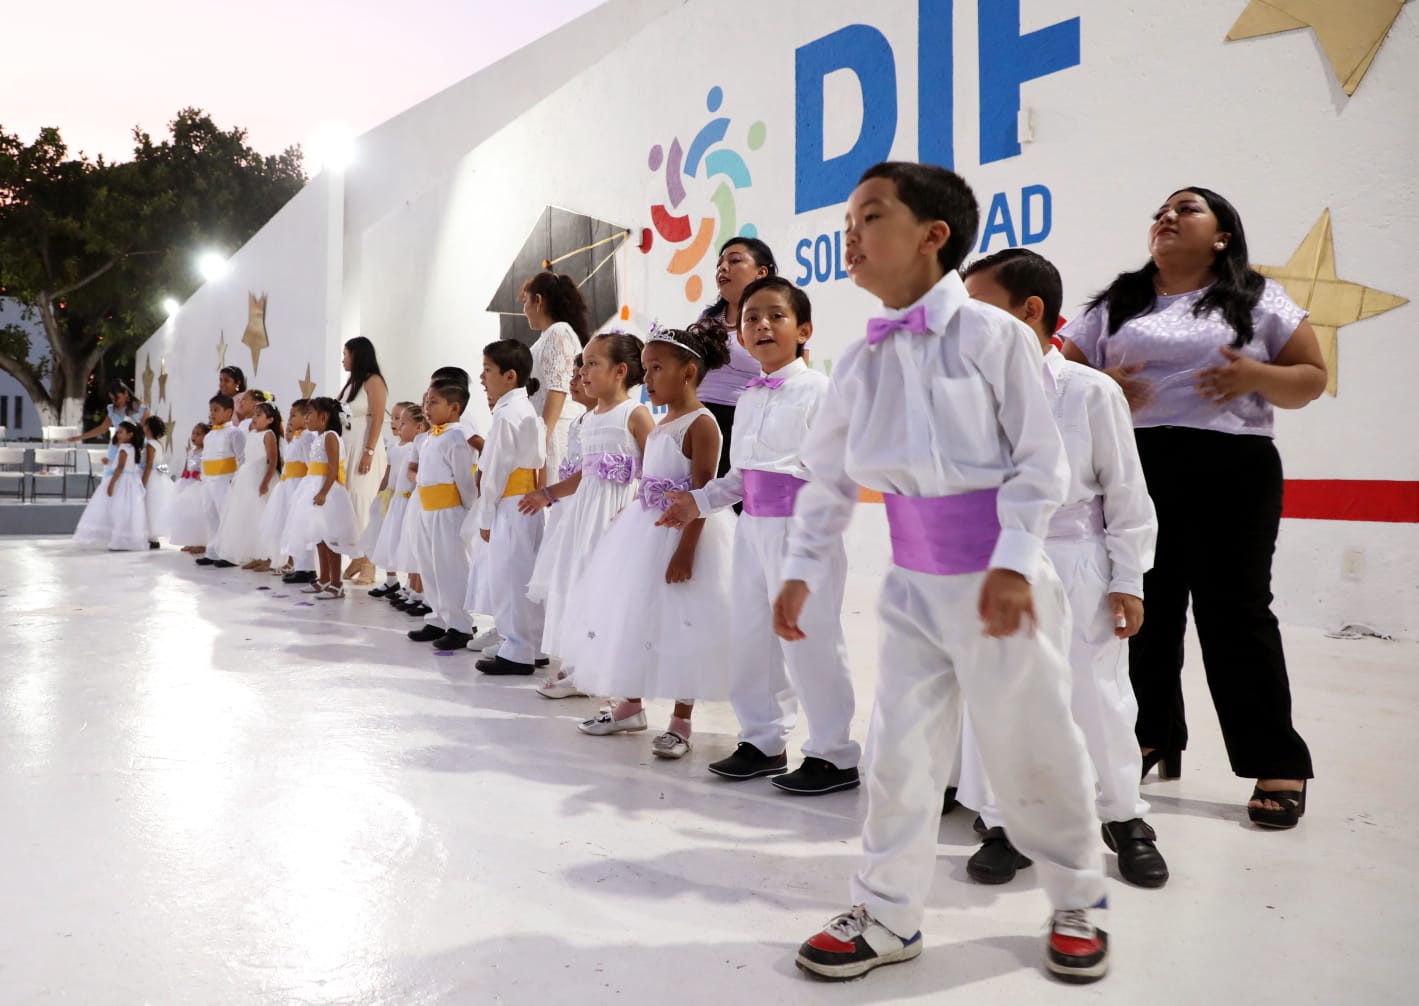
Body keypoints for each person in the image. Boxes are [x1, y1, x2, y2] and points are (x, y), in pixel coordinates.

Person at [778, 162, 1108, 983]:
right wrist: (800, 567)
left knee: (1032, 745)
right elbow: (824, 478)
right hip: (911, 584)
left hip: (1005, 583)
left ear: (933, 236)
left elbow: (1041, 465)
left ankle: (1078, 896)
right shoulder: (858, 361)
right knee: (899, 750)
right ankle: (888, 913)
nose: (849, 233)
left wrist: (1014, 560)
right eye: (847, 218)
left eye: (871, 215)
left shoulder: (995, 338)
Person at [1061, 187, 1326, 830]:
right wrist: (1105, 385)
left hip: (1232, 468)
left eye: (1187, 209)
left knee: (1236, 614)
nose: (1167, 217)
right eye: (1161, 211)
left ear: (1223, 236)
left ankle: (1274, 759)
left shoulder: (1255, 300)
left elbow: (1311, 378)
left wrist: (1256, 377)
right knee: (1141, 608)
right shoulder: (1117, 303)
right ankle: (1152, 736)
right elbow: (1059, 376)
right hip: (1136, 467)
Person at [956, 248, 1166, 888]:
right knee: (999, 688)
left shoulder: (1089, 391)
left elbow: (1127, 493)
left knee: (1095, 691)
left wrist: (1128, 578)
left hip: (1077, 559)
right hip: (996, 559)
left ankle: (1123, 816)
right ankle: (1005, 820)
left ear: (1031, 311)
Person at [659, 276, 860, 795]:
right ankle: (762, 740)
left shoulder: (822, 392)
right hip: (753, 528)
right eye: (750, 318)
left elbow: (837, 473)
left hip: (803, 531)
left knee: (809, 639)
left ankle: (834, 753)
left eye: (775, 315)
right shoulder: (748, 398)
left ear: (804, 329)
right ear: (740, 337)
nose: (761, 325)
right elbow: (741, 477)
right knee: (751, 635)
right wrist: (696, 503)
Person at [563, 322, 735, 759]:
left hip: (682, 534)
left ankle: (681, 720)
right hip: (644, 531)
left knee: (685, 622)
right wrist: (632, 509)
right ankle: (630, 705)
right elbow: (650, 479)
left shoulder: (702, 424)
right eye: (645, 369)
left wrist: (686, 551)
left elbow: (702, 496)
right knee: (635, 616)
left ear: (689, 372)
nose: (649, 380)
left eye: (657, 369)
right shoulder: (661, 424)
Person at [522, 335, 652, 693]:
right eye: (582, 364)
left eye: (592, 364)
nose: (581, 372)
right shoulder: (589, 418)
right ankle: (578, 663)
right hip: (586, 514)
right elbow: (585, 475)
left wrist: (636, 512)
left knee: (608, 589)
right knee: (577, 581)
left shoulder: (635, 414)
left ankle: (603, 668)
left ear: (620, 371)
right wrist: (548, 493)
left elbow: (656, 468)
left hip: (618, 514)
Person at [471, 340, 549, 674]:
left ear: (510, 375)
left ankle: (518, 650)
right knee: (525, 576)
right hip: (526, 504)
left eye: (488, 370)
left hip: (510, 505)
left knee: (510, 578)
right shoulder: (525, 409)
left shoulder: (506, 415)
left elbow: (494, 473)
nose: (483, 376)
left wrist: (486, 516)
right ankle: (533, 644)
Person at [697, 238, 777, 479]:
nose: (723, 268)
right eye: (720, 262)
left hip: (744, 425)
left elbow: (791, 377)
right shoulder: (707, 318)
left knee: (734, 506)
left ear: (761, 272)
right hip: (699, 421)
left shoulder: (778, 317)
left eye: (734, 260)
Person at [406, 381, 478, 648]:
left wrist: (467, 512)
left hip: (448, 512)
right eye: (426, 401)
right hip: (427, 509)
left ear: (454, 407)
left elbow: (464, 480)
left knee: (450, 568)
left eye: (434, 402)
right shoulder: (431, 436)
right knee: (430, 566)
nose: (427, 407)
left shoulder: (457, 437)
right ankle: (438, 618)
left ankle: (460, 625)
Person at [282, 396, 359, 598]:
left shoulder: (331, 436)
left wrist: (324, 492)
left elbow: (333, 467)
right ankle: (324, 579)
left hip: (328, 491)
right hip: (313, 486)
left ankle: (336, 583)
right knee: (319, 536)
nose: (306, 418)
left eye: (310, 414)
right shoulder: (320, 437)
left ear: (323, 417)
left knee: (330, 538)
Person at [521, 272, 591, 483]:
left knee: (553, 492)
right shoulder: (547, 336)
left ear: (538, 300)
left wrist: (543, 440)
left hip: (555, 427)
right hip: (546, 426)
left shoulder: (559, 332)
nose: (524, 310)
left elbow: (558, 388)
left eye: (525, 301)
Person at [339, 336, 390, 585]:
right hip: (349, 448)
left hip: (364, 448)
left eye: (346, 354)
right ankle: (357, 556)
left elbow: (379, 418)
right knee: (350, 501)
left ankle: (369, 562)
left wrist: (368, 452)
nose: (342, 360)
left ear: (357, 355)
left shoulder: (374, 381)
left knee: (363, 500)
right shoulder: (352, 383)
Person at [211, 400, 283, 571]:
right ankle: (256, 554)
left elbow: (273, 461)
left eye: (259, 415)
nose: (254, 418)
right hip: (246, 477)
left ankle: (268, 556)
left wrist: (265, 482)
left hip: (260, 477)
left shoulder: (268, 435)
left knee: (261, 515)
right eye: (254, 414)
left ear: (270, 420)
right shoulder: (251, 433)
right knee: (247, 515)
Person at [370, 403, 426, 602]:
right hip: (394, 500)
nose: (397, 425)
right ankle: (397, 582)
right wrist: (381, 492)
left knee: (409, 545)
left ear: (418, 427)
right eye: (395, 420)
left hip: (407, 501)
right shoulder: (394, 447)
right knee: (392, 541)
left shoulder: (414, 446)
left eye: (401, 422)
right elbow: (388, 473)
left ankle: (415, 589)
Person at [73, 421, 148, 551]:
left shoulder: (124, 448)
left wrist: (111, 484)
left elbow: (120, 468)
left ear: (130, 435)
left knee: (117, 510)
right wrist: (109, 462)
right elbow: (123, 465)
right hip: (131, 481)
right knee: (126, 511)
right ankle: (124, 539)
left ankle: (119, 541)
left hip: (121, 481)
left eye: (121, 432)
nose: (118, 434)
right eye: (117, 432)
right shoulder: (132, 448)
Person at [261, 400, 311, 578]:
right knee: (289, 525)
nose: (289, 419)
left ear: (306, 418)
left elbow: (309, 465)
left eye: (293, 415)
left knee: (297, 525)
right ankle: (291, 561)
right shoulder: (297, 437)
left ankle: (301, 564)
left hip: (298, 485)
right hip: (288, 486)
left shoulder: (307, 438)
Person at [195, 395, 242, 567]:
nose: (212, 414)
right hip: (209, 481)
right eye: (211, 410)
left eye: (216, 410)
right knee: (211, 515)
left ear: (229, 412)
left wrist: (236, 480)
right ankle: (213, 552)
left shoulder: (234, 433)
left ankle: (229, 554)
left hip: (225, 480)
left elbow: (241, 458)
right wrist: (204, 478)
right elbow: (205, 458)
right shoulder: (210, 435)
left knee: (226, 516)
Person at [70, 380, 150, 468]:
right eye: (112, 399)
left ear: (126, 393)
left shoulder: (140, 409)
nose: (115, 402)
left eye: (117, 398)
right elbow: (102, 428)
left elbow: (148, 430)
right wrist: (79, 437)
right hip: (116, 448)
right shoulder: (112, 409)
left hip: (134, 448)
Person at [168, 424, 210, 554]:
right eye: (193, 433)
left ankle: (202, 542)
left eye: (198, 434)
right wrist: (184, 477)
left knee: (198, 515)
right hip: (187, 484)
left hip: (198, 485)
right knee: (187, 515)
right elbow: (188, 467)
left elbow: (205, 469)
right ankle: (191, 540)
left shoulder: (206, 452)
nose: (194, 436)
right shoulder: (191, 451)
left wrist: (198, 475)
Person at [140, 416, 173, 550]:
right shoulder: (160, 443)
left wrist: (142, 483)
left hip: (151, 477)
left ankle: (150, 536)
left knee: (148, 505)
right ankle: (152, 537)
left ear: (148, 428)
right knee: (154, 506)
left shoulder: (150, 445)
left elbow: (149, 465)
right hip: (159, 476)